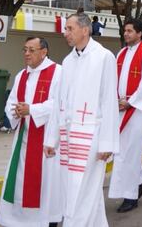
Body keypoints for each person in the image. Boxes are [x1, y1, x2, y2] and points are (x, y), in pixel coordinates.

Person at [46, 13, 118, 227]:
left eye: (69, 28)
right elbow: (60, 101)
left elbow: (109, 101)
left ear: (85, 30)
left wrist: (107, 142)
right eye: (66, 29)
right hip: (69, 137)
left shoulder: (104, 57)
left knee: (81, 192)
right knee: (80, 191)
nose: (65, 33)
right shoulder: (68, 61)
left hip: (92, 136)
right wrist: (52, 138)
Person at [0, 37, 62, 227]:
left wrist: (32, 109)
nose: (26, 54)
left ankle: (48, 220)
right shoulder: (21, 75)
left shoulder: (58, 73)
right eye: (24, 50)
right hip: (24, 138)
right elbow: (12, 101)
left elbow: (60, 104)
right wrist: (16, 111)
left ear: (44, 52)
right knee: (19, 182)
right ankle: (20, 220)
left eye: (31, 50)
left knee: (46, 184)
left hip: (46, 140)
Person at [109, 19, 142, 213]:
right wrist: (115, 100)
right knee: (121, 151)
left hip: (137, 109)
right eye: (125, 31)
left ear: (139, 33)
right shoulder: (120, 54)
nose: (126, 34)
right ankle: (141, 177)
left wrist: (131, 101)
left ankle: (130, 196)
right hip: (120, 108)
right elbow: (112, 79)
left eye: (130, 31)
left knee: (131, 151)